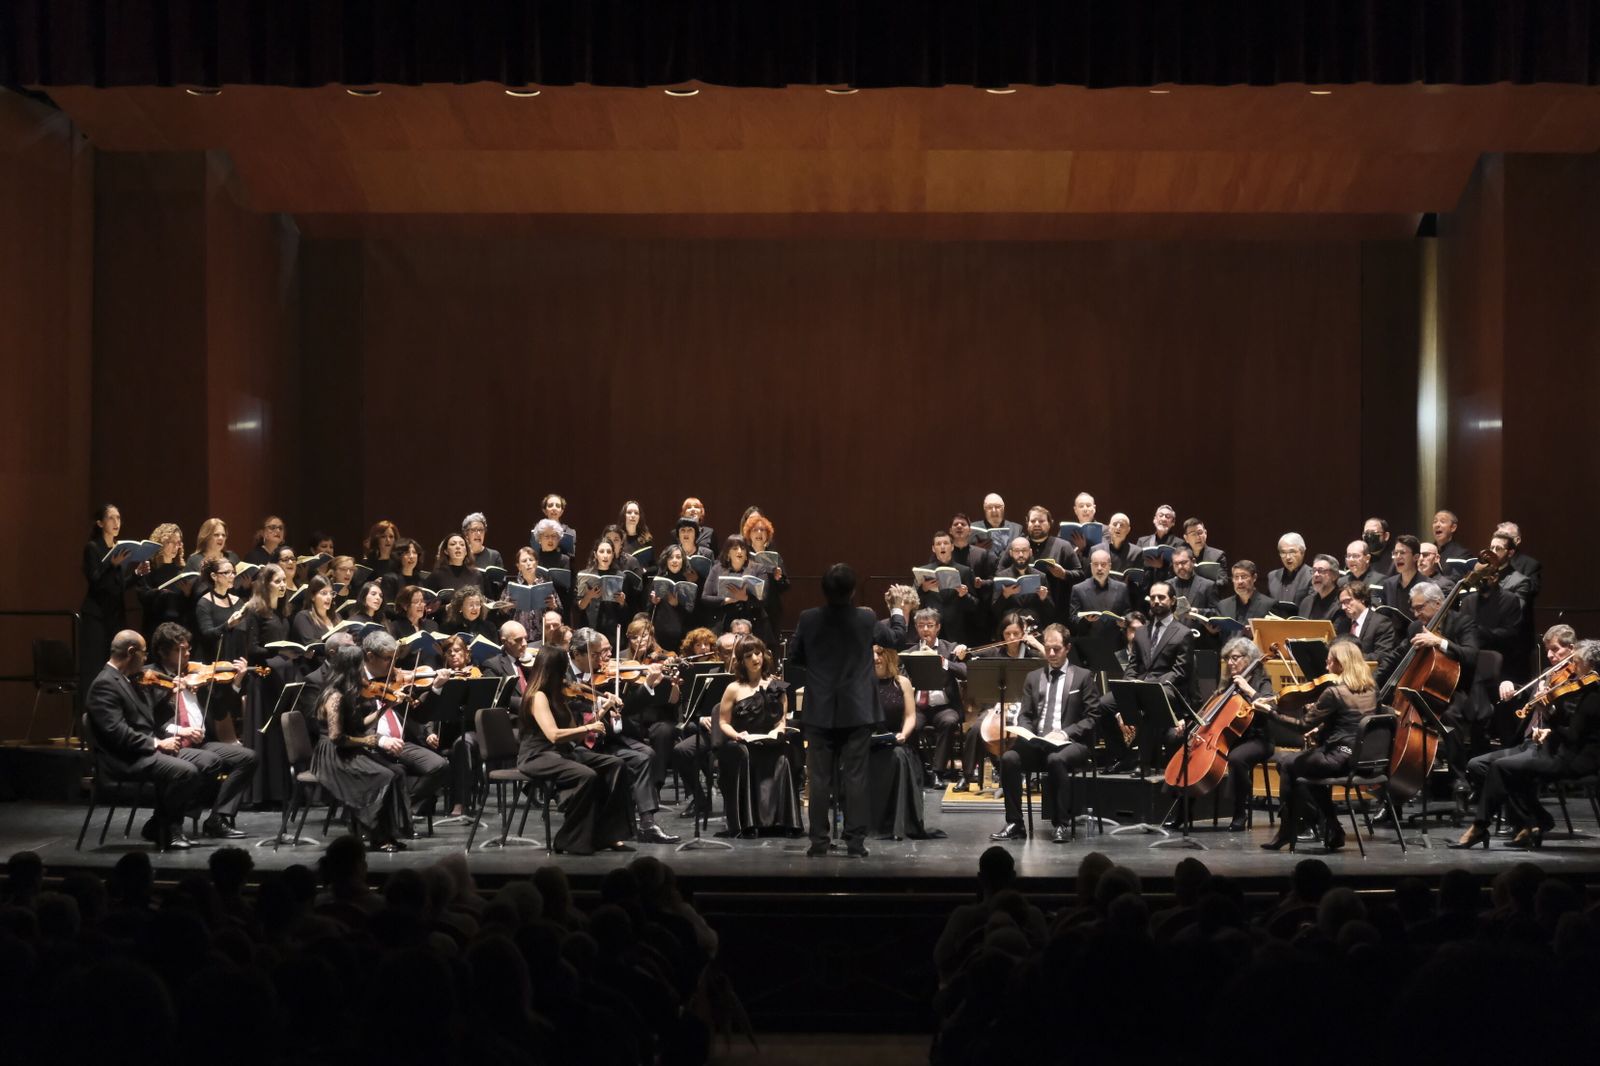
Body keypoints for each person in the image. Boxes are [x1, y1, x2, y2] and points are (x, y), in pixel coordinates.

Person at [787, 563, 905, 857]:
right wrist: (899, 610)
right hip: (858, 710)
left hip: (820, 710)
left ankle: (819, 842)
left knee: (818, 779)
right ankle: (855, 842)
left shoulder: (809, 618)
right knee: (856, 778)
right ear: (852, 591)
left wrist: (820, 669)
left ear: (823, 590)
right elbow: (896, 639)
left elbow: (795, 657)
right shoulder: (865, 618)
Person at [1455, 626, 1577, 849]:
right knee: (1476, 765)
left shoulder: (1577, 682)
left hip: (1551, 747)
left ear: (1571, 649)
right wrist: (1510, 684)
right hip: (1527, 743)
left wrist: (1549, 710)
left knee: (1502, 768)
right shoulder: (1550, 674)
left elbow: (1572, 721)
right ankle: (1536, 819)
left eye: (1555, 650)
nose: (1550, 655)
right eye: (1548, 650)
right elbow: (1529, 698)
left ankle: (1481, 826)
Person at [85, 630, 205, 850]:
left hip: (139, 751)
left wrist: (169, 693)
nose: (146, 659)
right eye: (143, 653)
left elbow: (144, 718)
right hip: (124, 759)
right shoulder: (105, 684)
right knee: (186, 772)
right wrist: (157, 743)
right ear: (131, 652)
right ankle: (163, 827)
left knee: (197, 764)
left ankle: (162, 827)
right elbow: (116, 732)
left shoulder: (125, 679)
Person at [1262, 638, 1379, 852]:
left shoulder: (1334, 692)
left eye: (1329, 662)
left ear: (1340, 663)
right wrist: (1323, 728)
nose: (1326, 667)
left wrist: (1271, 713)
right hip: (1363, 759)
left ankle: (1289, 828)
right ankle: (1331, 825)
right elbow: (1351, 722)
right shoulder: (1371, 689)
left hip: (1339, 758)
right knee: (1302, 771)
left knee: (1287, 764)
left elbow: (1301, 726)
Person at [143, 623, 258, 838]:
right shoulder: (151, 676)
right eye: (181, 649)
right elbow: (149, 718)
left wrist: (236, 682)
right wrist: (173, 696)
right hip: (170, 743)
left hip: (201, 742)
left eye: (188, 648)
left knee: (248, 758)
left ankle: (218, 817)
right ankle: (167, 818)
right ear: (162, 651)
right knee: (208, 762)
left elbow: (221, 709)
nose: (188, 653)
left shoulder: (198, 676)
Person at [516, 646, 634, 855]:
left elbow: (574, 733)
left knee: (616, 765)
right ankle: (569, 839)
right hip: (537, 755)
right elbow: (553, 735)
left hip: (561, 751)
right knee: (586, 775)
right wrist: (588, 727)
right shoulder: (538, 696)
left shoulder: (558, 695)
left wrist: (604, 709)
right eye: (563, 670)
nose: (567, 676)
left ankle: (607, 834)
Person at [990, 624, 1099, 844]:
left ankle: (1061, 824)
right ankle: (1015, 823)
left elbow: (1092, 717)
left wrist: (1064, 733)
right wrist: (1028, 734)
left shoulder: (1083, 676)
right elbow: (1026, 715)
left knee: (1055, 759)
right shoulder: (1033, 677)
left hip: (1071, 742)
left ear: (1067, 648)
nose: (1050, 654)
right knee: (1009, 758)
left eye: (1056, 649)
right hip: (1038, 742)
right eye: (1048, 648)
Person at [569, 628, 677, 844]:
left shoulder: (603, 673)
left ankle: (647, 823)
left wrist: (648, 685)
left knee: (646, 753)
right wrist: (600, 706)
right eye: (596, 654)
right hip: (578, 741)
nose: (603, 659)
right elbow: (573, 714)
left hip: (606, 736)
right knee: (637, 757)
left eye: (604, 652)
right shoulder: (564, 675)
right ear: (577, 654)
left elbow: (626, 708)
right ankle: (618, 823)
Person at [309, 643, 411, 852]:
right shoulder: (335, 696)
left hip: (348, 748)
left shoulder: (349, 692)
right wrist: (365, 741)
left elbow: (358, 725)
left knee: (397, 772)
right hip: (333, 754)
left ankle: (389, 833)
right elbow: (336, 737)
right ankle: (377, 835)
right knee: (383, 776)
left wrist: (386, 708)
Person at [714, 636, 803, 837]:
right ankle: (749, 822)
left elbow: (781, 720)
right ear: (741, 661)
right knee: (744, 755)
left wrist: (777, 731)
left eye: (758, 653)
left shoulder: (777, 685)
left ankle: (782, 821)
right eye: (749, 655)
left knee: (785, 755)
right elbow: (723, 723)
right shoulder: (733, 688)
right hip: (742, 741)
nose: (755, 658)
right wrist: (737, 735)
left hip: (769, 739)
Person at [952, 612, 1043, 793]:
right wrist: (961, 651)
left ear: (1023, 633)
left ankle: (1028, 776)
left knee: (1028, 730)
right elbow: (967, 656)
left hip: (1023, 708)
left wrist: (1037, 644)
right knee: (976, 729)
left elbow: (1054, 661)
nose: (1011, 638)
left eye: (1016, 634)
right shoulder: (994, 653)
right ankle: (967, 775)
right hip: (996, 706)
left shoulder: (1031, 655)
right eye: (1007, 634)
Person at [869, 643, 943, 840]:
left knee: (899, 756)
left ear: (890, 656)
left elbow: (910, 716)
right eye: (872, 654)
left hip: (895, 739)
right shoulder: (863, 682)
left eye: (880, 654)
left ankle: (897, 823)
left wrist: (903, 734)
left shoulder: (902, 682)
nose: (876, 658)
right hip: (868, 740)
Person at [80, 504, 149, 697]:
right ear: (100, 523)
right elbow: (95, 581)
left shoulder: (118, 548)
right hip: (97, 615)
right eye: (111, 518)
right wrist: (111, 564)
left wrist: (135, 575)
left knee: (118, 664)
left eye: (118, 518)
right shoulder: (93, 547)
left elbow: (117, 586)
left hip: (115, 614)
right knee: (95, 664)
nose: (116, 522)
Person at [1210, 637, 1278, 831]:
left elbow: (1269, 705)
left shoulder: (1261, 680)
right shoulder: (1228, 682)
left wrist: (1248, 689)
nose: (1230, 663)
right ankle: (1184, 813)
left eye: (1235, 658)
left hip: (1259, 739)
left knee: (1237, 758)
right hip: (1232, 737)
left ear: (1249, 659)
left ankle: (1240, 811)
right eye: (1227, 659)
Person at [904, 608, 970, 786]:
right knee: (910, 727)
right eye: (921, 626)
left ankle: (937, 772)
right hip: (918, 707)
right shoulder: (910, 652)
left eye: (930, 625)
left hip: (944, 706)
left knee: (948, 722)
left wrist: (945, 662)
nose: (925, 629)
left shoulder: (950, 648)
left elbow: (965, 672)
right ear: (916, 628)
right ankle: (920, 768)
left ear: (938, 627)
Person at [1339, 582, 1402, 686]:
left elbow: (1382, 655)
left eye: (1347, 601)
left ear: (1362, 599)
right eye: (1341, 603)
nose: (1343, 607)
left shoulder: (1381, 622)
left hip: (1369, 680)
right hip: (1344, 679)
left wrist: (1353, 659)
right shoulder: (1343, 624)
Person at [1297, 554, 1345, 628]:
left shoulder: (1342, 605)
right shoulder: (1306, 602)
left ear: (1334, 576)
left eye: (1321, 570)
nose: (1316, 575)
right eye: (1314, 571)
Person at [1266, 533, 1312, 606]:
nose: (1288, 557)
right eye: (1283, 552)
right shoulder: (1272, 576)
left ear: (1302, 552)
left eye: (1292, 552)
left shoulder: (1312, 576)